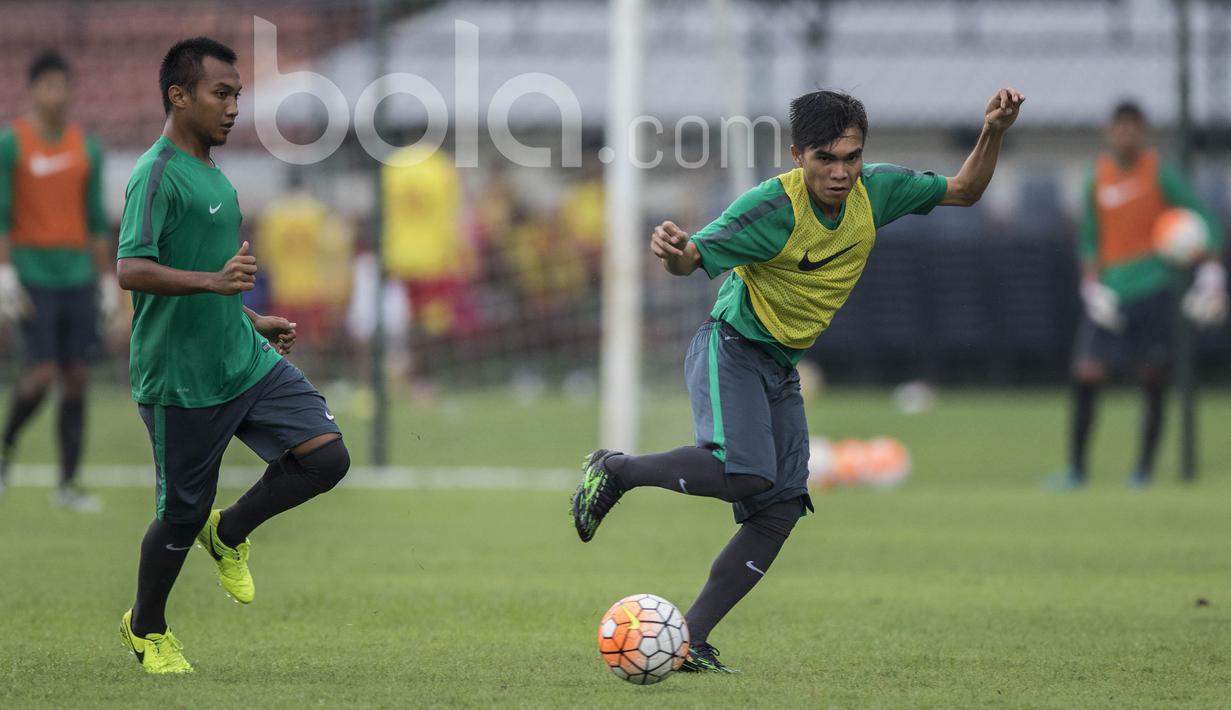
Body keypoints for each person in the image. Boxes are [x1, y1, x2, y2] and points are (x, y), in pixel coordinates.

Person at [571, 87, 1025, 673]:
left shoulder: (876, 190)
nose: (841, 173)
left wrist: (993, 130)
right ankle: (615, 469)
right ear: (796, 155)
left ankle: (689, 641)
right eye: (825, 159)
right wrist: (674, 251)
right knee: (748, 472)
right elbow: (692, 259)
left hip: (780, 367)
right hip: (732, 345)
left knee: (780, 507)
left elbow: (965, 190)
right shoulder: (771, 209)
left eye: (851, 157)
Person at [115, 37, 350, 675]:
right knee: (180, 513)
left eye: (237, 96)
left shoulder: (215, 175)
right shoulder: (155, 173)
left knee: (326, 457)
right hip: (180, 379)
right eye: (221, 94)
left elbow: (207, 277)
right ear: (178, 96)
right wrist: (216, 286)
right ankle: (147, 629)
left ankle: (231, 532)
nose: (232, 108)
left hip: (242, 359)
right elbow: (132, 269)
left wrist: (248, 315)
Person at [1056, 101, 1225, 490]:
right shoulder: (1097, 177)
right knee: (1086, 375)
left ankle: (1143, 472)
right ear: (1109, 131)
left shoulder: (1160, 173)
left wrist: (1212, 269)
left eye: (1133, 128)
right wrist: (1091, 284)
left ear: (1143, 132)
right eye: (1119, 127)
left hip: (1153, 289)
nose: (1125, 135)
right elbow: (1089, 239)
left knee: (1152, 378)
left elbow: (1206, 220)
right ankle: (1077, 470)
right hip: (1111, 295)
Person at [0, 51, 119, 509]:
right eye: (46, 85)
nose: (55, 94)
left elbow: (94, 221)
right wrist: (6, 272)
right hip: (32, 273)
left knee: (76, 377)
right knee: (42, 375)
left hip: (77, 275)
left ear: (72, 91)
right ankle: (6, 449)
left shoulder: (86, 148)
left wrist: (107, 281)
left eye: (62, 85)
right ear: (32, 90)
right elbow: (3, 214)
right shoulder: (13, 144)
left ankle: (68, 484)